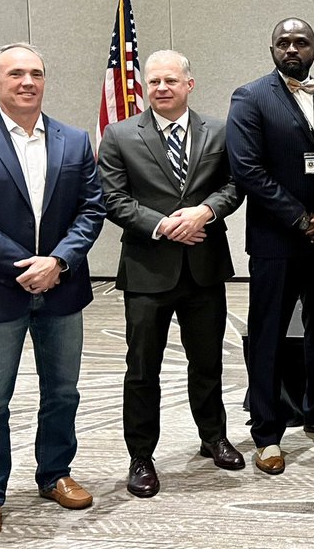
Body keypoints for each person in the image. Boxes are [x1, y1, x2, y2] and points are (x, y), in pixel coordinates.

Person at [0, 43, 105, 542]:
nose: (27, 81)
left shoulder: (74, 141)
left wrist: (58, 262)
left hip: (61, 287)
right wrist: (23, 268)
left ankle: (55, 473)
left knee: (63, 391)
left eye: (35, 73)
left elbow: (91, 209)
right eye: (15, 74)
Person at [97, 50, 246, 497]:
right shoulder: (119, 135)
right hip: (147, 270)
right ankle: (141, 456)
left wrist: (203, 212)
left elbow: (236, 185)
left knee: (208, 362)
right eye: (155, 81)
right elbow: (113, 198)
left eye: (171, 81)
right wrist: (164, 226)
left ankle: (214, 437)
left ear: (189, 84)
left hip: (204, 267)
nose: (162, 88)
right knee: (143, 368)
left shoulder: (218, 131)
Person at [226, 18, 314, 475]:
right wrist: (301, 218)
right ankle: (266, 432)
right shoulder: (250, 97)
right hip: (276, 241)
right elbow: (247, 170)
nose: (291, 49)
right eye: (282, 43)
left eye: (300, 42)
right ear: (271, 49)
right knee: (268, 337)